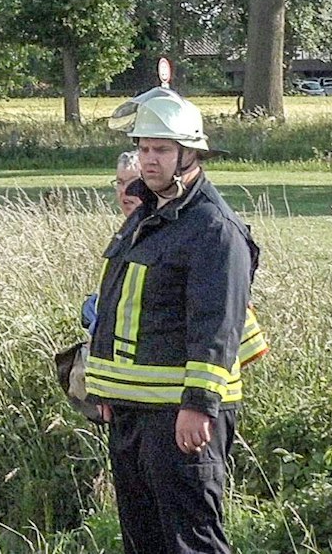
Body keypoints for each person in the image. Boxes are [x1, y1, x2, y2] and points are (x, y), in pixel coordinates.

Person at [87, 88, 262, 554]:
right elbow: (120, 310)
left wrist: (199, 405)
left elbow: (216, 326)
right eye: (144, 148)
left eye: (162, 149)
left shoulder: (212, 228)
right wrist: (104, 389)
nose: (149, 160)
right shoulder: (147, 214)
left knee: (191, 541)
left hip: (181, 415)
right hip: (133, 409)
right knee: (143, 540)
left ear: (190, 154)